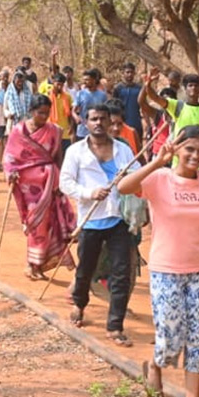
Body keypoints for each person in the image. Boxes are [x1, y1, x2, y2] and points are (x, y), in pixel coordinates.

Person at [119, 126, 199, 397]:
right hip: (166, 270)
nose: (195, 156)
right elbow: (124, 187)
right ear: (177, 148)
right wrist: (156, 162)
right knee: (171, 336)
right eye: (189, 149)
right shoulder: (160, 179)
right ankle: (155, 366)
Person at [60, 103, 138, 345]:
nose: (98, 123)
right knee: (85, 270)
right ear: (85, 122)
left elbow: (137, 174)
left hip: (119, 219)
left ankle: (115, 326)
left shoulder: (123, 150)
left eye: (103, 119)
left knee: (121, 273)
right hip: (91, 219)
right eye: (93, 119)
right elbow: (65, 182)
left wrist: (127, 180)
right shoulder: (75, 151)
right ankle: (80, 305)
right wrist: (89, 192)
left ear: (109, 121)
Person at [3, 94, 77, 281]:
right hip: (29, 187)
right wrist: (11, 173)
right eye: (40, 113)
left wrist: (60, 180)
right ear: (31, 111)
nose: (43, 117)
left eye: (46, 113)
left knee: (50, 224)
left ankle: (39, 264)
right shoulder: (19, 132)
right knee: (35, 224)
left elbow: (59, 157)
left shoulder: (55, 130)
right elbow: (10, 157)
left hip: (50, 183)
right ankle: (31, 264)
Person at [143, 70, 199, 168]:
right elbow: (155, 98)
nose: (193, 88)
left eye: (196, 86)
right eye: (190, 85)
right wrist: (148, 84)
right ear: (185, 89)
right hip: (179, 161)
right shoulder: (176, 106)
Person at [72, 68, 108, 139]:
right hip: (83, 131)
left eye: (87, 80)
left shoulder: (102, 95)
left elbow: (106, 112)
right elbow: (73, 110)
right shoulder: (80, 94)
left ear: (94, 80)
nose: (84, 82)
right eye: (84, 80)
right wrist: (76, 117)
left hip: (98, 130)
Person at [112, 61, 145, 138]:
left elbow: (143, 105)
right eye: (127, 72)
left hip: (136, 122)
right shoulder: (118, 88)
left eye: (132, 72)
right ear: (123, 73)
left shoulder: (139, 88)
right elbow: (114, 106)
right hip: (122, 123)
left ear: (134, 73)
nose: (130, 74)